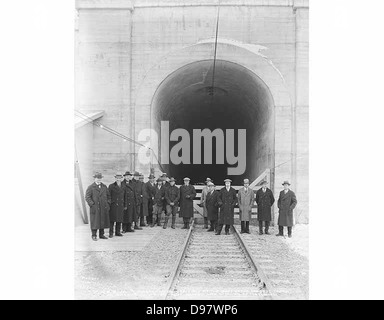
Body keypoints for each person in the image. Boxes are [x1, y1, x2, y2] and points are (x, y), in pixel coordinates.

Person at [85, 172, 111, 241]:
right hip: (95, 208)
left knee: (102, 220)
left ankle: (101, 234)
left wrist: (108, 204)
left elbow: (109, 196)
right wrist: (92, 205)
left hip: (103, 207)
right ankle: (94, 235)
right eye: (97, 178)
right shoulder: (91, 187)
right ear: (94, 179)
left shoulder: (104, 186)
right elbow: (87, 197)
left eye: (100, 178)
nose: (98, 180)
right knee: (95, 222)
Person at [108, 173, 125, 238]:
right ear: (115, 178)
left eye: (119, 178)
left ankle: (117, 232)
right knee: (112, 220)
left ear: (121, 179)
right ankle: (111, 233)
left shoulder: (123, 186)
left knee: (119, 219)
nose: (118, 179)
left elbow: (125, 196)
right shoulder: (111, 186)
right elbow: (108, 196)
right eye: (117, 178)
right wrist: (110, 203)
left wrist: (125, 204)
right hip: (113, 205)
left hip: (121, 205)